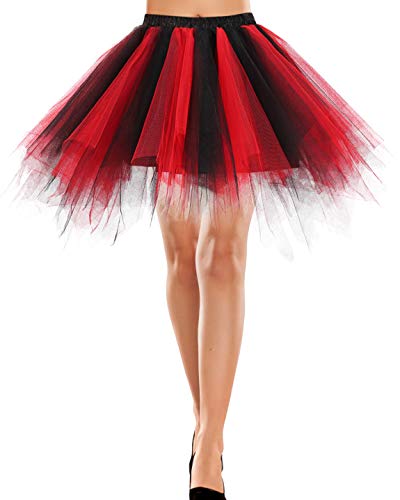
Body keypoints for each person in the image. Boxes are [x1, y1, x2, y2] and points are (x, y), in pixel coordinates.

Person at [11, 0, 388, 498]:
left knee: (223, 255)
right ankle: (205, 421)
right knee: (181, 253)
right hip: (162, 56)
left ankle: (208, 448)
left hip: (237, 55)